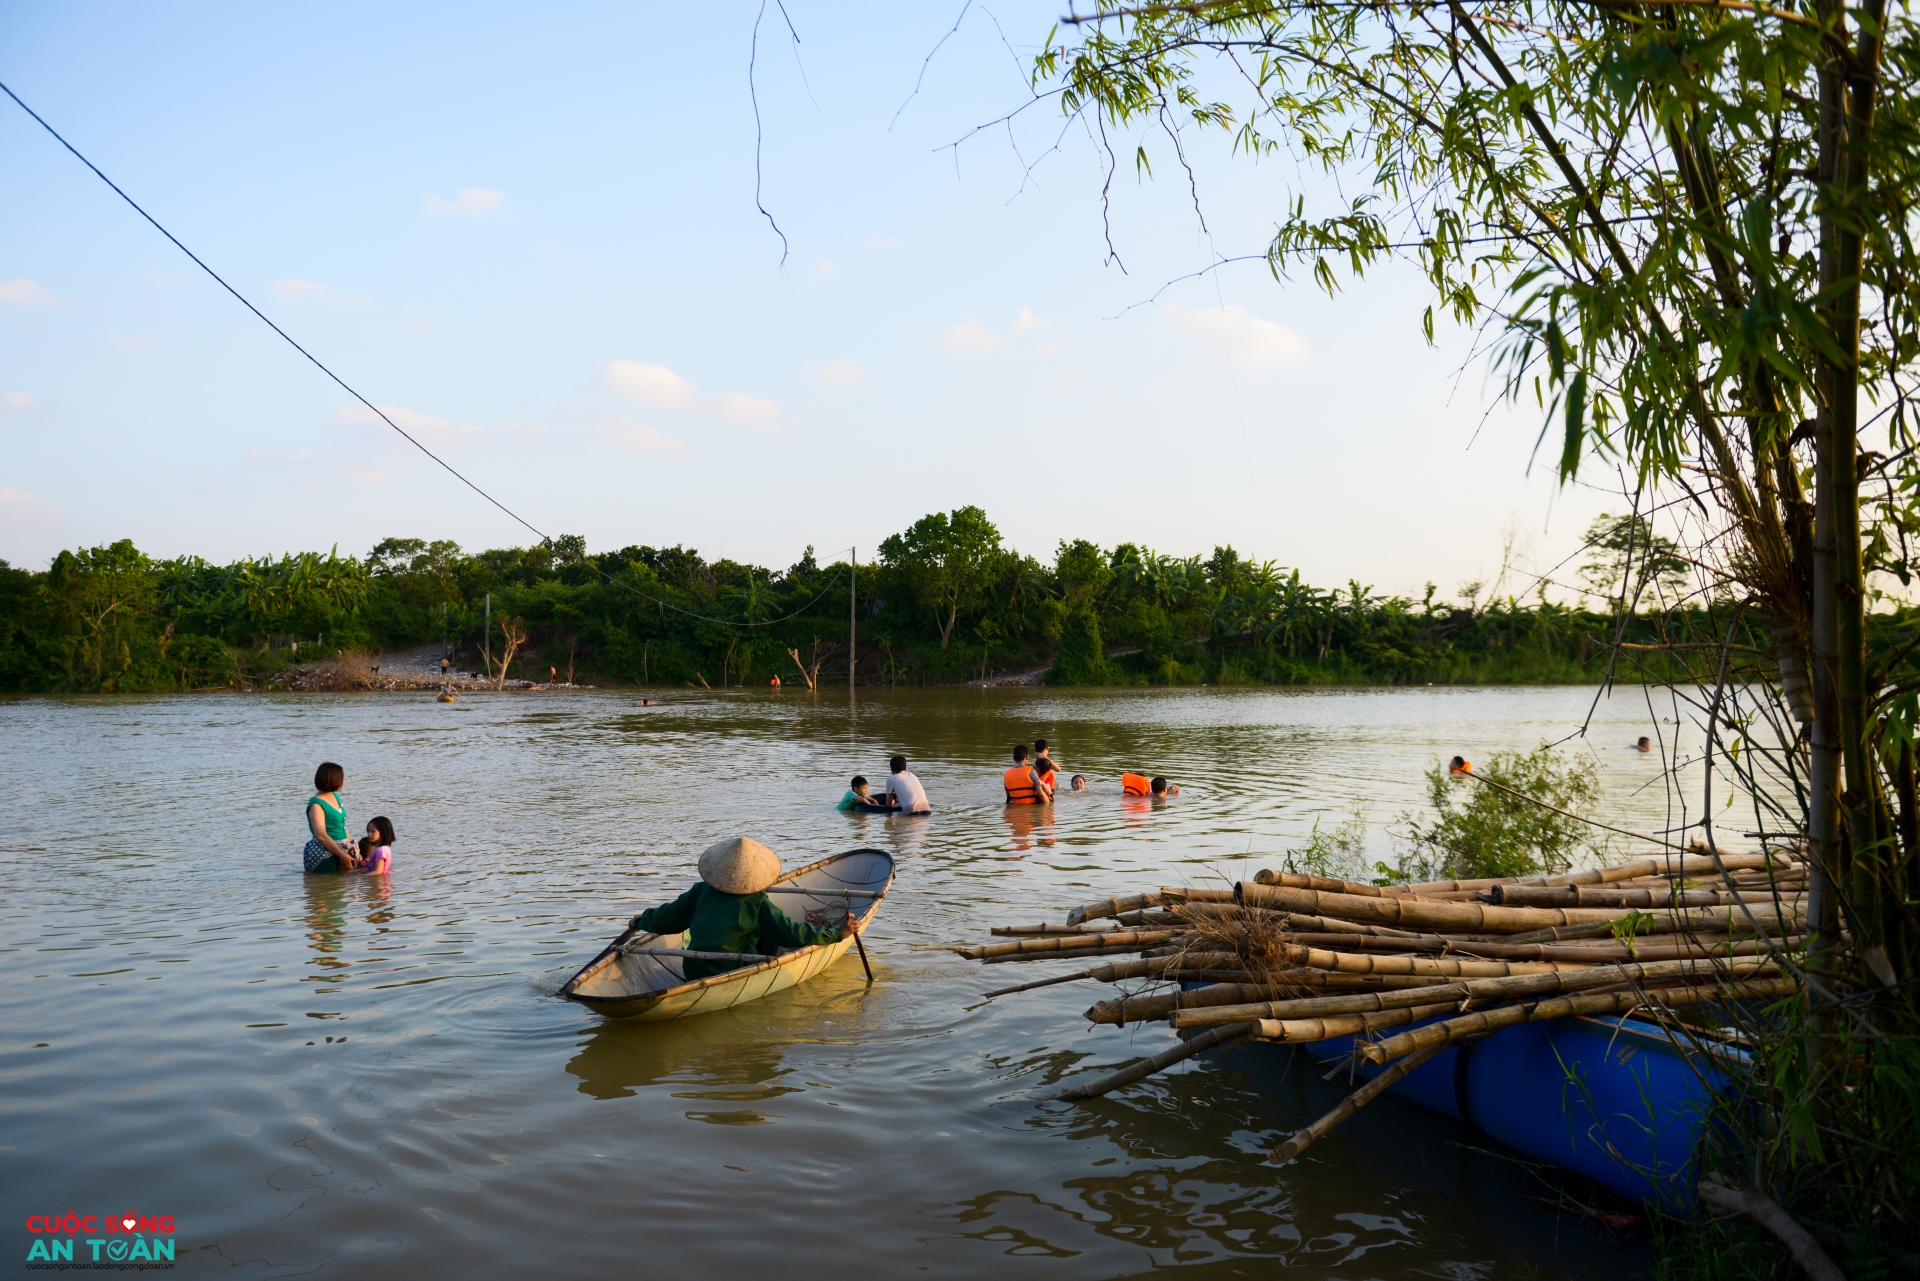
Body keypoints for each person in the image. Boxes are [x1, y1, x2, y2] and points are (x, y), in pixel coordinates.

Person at [627, 837, 856, 979]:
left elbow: (667, 917)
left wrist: (640, 920)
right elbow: (791, 932)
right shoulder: (755, 902)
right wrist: (837, 934)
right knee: (772, 933)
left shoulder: (699, 891)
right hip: (729, 968)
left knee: (764, 928)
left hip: (693, 969)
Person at [303, 762, 360, 873]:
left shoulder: (335, 796)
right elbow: (321, 836)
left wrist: (351, 848)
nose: (343, 782)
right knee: (329, 888)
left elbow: (342, 825)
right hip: (326, 856)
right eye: (341, 779)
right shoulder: (317, 805)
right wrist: (342, 855)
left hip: (343, 852)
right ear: (332, 780)